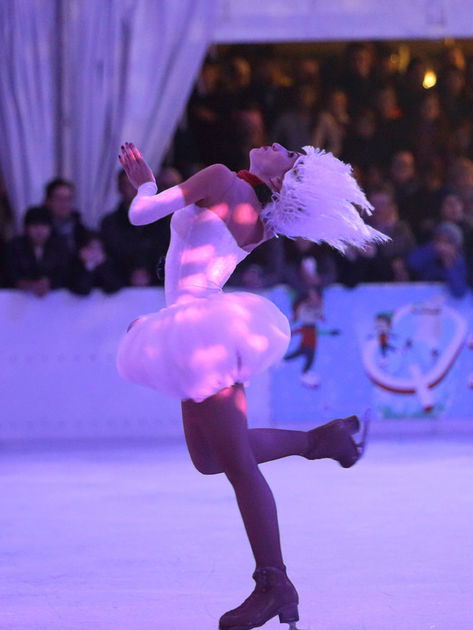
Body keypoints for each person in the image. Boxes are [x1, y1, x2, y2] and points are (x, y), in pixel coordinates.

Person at [116, 141, 384, 630]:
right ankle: (321, 440)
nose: (278, 145)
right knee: (210, 459)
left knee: (235, 463)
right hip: (196, 329)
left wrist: (145, 185)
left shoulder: (220, 178)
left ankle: (274, 583)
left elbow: (142, 215)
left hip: (198, 332)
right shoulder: (262, 225)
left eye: (289, 154)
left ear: (284, 180)